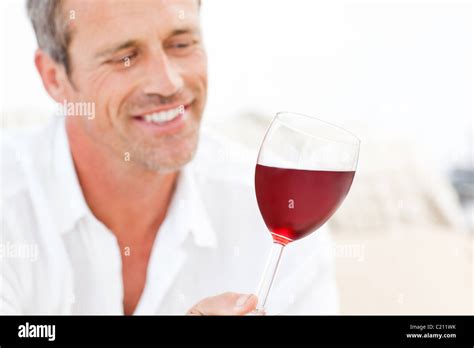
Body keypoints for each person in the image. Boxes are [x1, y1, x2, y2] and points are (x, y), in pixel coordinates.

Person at [0, 0, 339, 315]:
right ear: (54, 78)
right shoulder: (9, 205)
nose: (168, 82)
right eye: (125, 57)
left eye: (181, 44)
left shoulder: (274, 214)